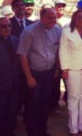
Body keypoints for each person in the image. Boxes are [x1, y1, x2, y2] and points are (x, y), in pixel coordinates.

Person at [17, 8, 61, 136]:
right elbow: (23, 55)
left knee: (44, 103)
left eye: (54, 18)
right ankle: (31, 131)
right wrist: (29, 77)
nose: (53, 20)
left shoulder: (57, 30)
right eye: (50, 18)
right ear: (42, 17)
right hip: (34, 74)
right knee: (33, 104)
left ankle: (42, 130)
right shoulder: (29, 32)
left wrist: (57, 69)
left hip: (49, 73)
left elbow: (57, 51)